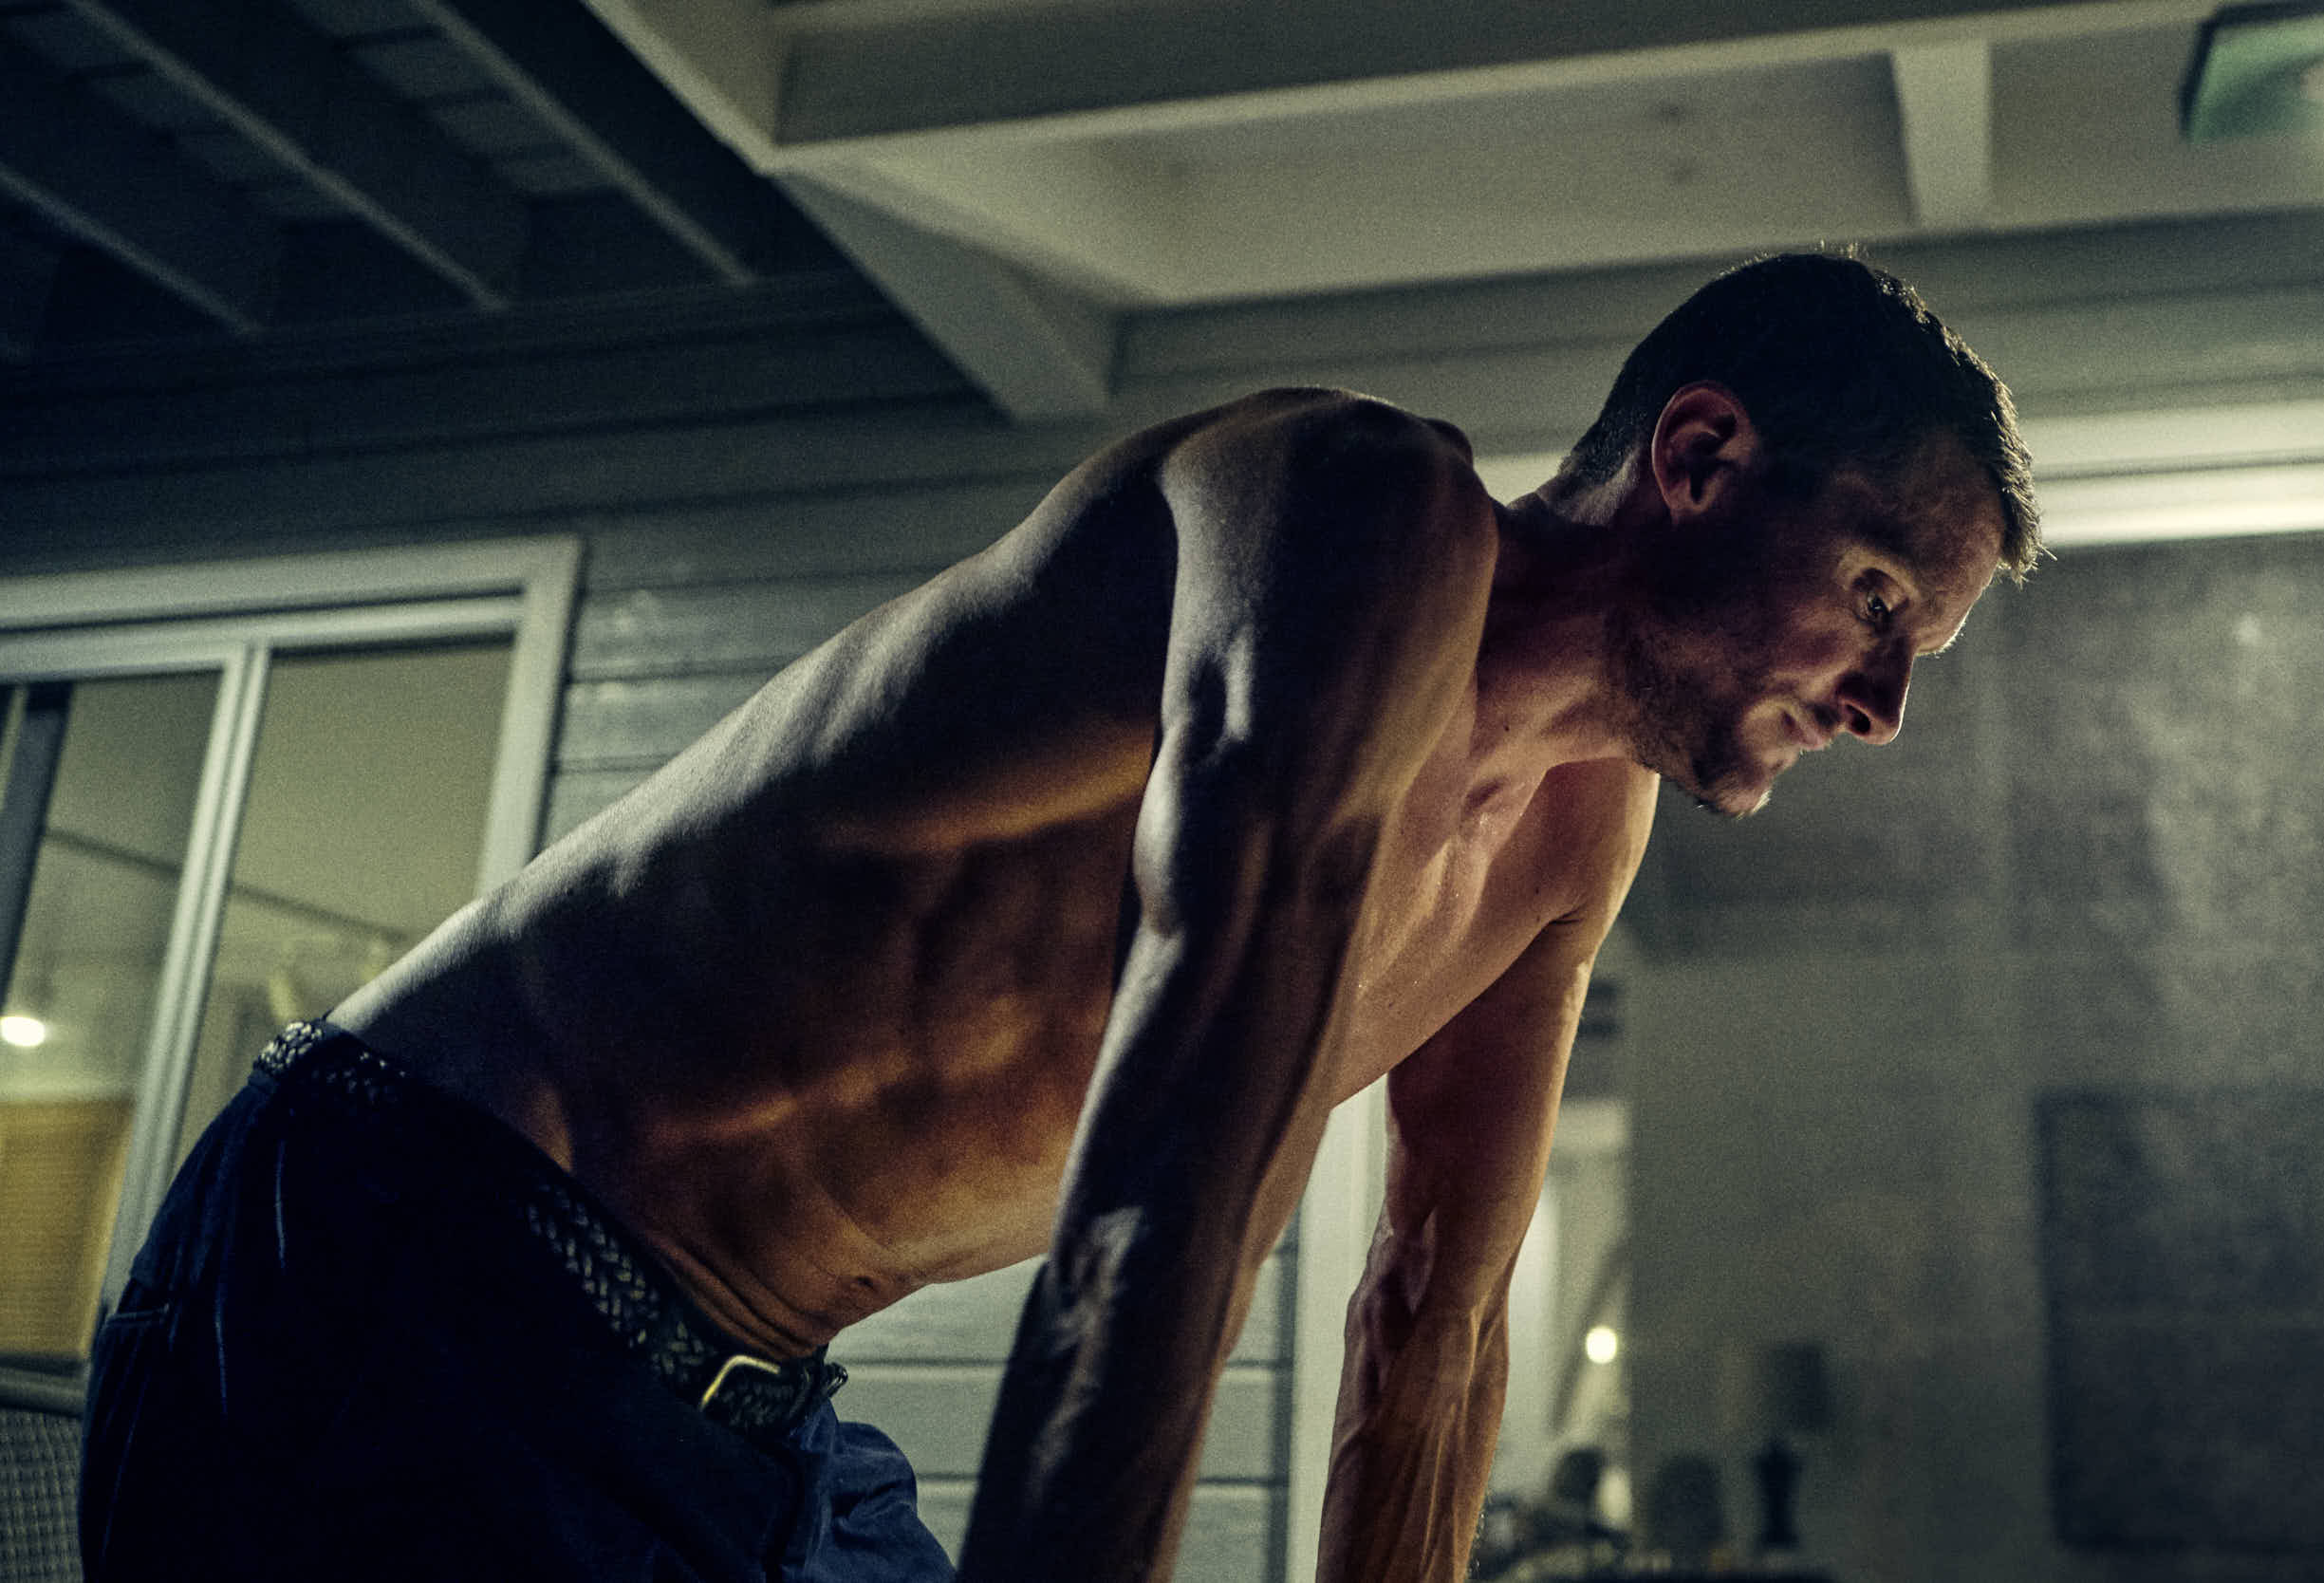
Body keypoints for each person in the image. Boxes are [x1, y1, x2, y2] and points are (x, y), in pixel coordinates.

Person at [82, 251, 2038, 1583]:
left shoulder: (1570, 835)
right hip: (420, 1253)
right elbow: (1162, 1192)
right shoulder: (1357, 519)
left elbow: (1429, 1335)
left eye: (1915, 651)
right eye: (1875, 597)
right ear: (1696, 460)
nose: (1878, 703)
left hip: (743, 1408)